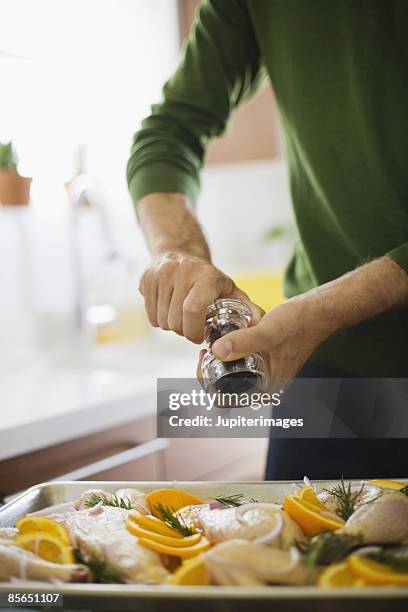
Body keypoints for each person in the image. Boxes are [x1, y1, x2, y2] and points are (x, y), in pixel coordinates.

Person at [127, 0, 408, 479]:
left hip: (322, 338)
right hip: (327, 370)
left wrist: (331, 307)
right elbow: (169, 131)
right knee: (291, 551)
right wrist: (178, 250)